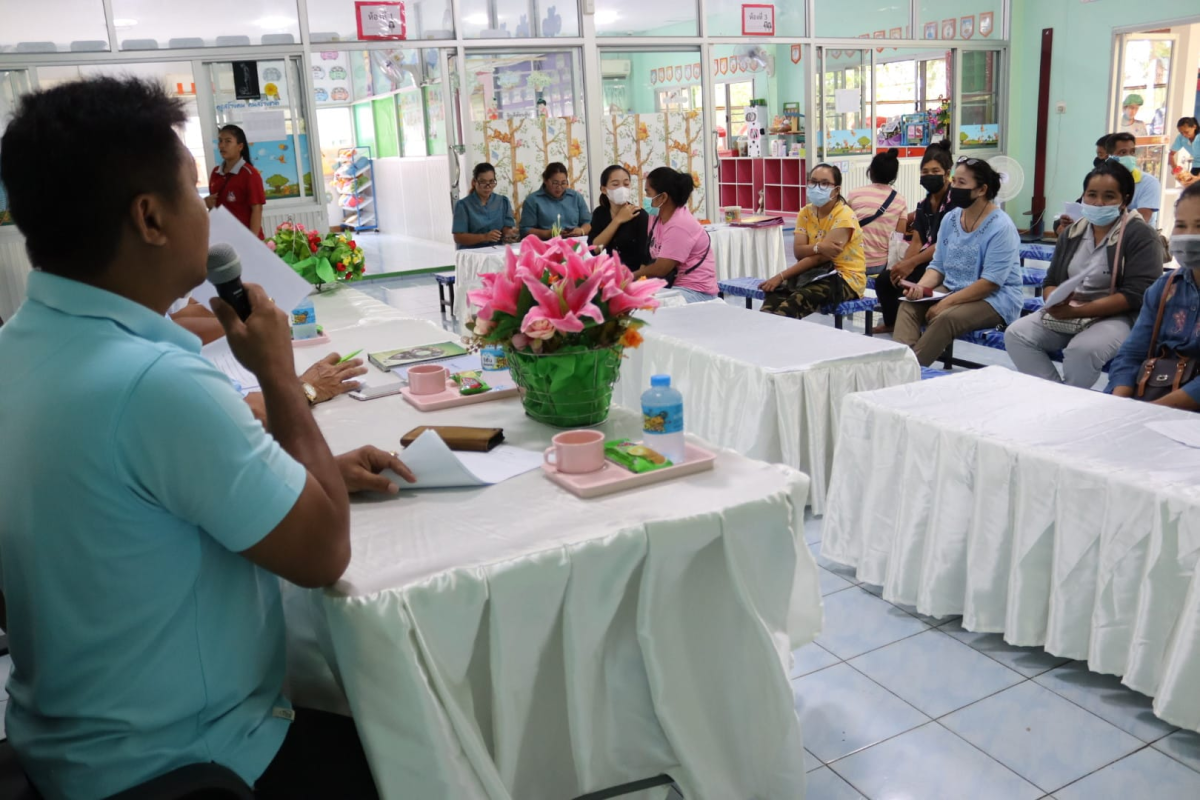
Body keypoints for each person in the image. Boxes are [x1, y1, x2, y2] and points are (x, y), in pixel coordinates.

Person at [0, 76, 414, 800]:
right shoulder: (154, 381)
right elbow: (321, 554)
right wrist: (283, 379)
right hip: (191, 762)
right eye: (197, 194)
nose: (212, 212)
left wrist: (292, 472)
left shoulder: (19, 346)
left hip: (64, 743)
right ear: (151, 218)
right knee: (412, 739)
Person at [1005, 162, 1163, 388]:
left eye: (1109, 196)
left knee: (1082, 350)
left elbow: (1137, 295)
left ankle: (1066, 406)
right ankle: (1056, 398)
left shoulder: (1139, 234)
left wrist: (1075, 311)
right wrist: (1054, 301)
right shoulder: (1073, 231)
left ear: (1124, 200)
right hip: (1069, 311)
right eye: (1091, 195)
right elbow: (1051, 280)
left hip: (1119, 317)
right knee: (1016, 334)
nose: (1098, 203)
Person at [893, 157, 1024, 366]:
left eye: (961, 183)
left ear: (981, 190)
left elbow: (989, 283)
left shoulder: (1001, 227)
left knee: (946, 318)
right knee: (909, 305)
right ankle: (901, 365)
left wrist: (946, 302)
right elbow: (938, 266)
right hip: (953, 288)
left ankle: (910, 372)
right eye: (954, 181)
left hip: (994, 298)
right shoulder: (951, 219)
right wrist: (920, 287)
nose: (953, 188)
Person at [1107, 183, 1200, 408]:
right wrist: (1118, 404)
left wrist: (1152, 411)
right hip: (1153, 400)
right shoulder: (1165, 287)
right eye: (1181, 225)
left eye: (1199, 226)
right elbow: (1131, 354)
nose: (1188, 235)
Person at [760, 163, 866, 318]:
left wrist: (781, 276)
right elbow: (798, 252)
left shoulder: (844, 216)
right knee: (772, 299)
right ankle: (765, 338)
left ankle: (781, 339)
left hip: (844, 278)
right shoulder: (806, 212)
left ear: (836, 190)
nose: (817, 187)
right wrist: (820, 246)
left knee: (792, 305)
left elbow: (818, 259)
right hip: (811, 272)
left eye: (824, 183)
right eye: (813, 182)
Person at [873, 141, 954, 333]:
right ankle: (892, 323)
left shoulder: (954, 204)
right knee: (887, 279)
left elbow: (944, 244)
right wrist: (903, 266)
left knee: (914, 279)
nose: (929, 176)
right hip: (925, 259)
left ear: (947, 172)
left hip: (946, 263)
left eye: (935, 171)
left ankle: (916, 320)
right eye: (925, 172)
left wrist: (911, 264)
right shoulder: (923, 204)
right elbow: (917, 241)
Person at [634, 166, 718, 302]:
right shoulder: (655, 217)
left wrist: (632, 276)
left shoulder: (680, 224)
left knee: (649, 306)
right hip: (672, 286)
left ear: (663, 197)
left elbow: (661, 268)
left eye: (648, 193)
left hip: (696, 291)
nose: (645, 198)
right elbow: (647, 257)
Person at [847, 148, 909, 276]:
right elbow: (898, 239)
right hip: (879, 265)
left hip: (853, 261)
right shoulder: (900, 200)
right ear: (894, 176)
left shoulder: (854, 194)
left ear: (871, 171)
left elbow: (844, 225)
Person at [207, 124, 267, 238]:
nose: (222, 145)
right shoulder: (215, 173)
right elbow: (215, 207)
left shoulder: (250, 174)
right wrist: (207, 203)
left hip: (246, 239)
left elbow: (257, 210)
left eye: (228, 141)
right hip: (224, 239)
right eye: (220, 141)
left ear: (240, 146)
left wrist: (252, 241)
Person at [587, 164, 647, 271]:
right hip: (612, 273)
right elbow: (594, 250)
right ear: (604, 189)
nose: (622, 189)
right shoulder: (600, 213)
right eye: (615, 184)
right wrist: (618, 220)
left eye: (626, 184)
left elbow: (646, 257)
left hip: (634, 274)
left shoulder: (639, 215)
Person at [1055, 134, 1117, 235]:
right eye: (1099, 155)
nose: (1099, 160)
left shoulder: (1123, 183)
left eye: (1103, 155)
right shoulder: (1094, 179)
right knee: (1059, 224)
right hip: (1086, 222)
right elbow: (1080, 204)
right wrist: (1067, 221)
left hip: (1105, 226)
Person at [452, 162, 516, 249]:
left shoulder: (503, 201)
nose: (488, 186)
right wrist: (484, 237)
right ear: (474, 182)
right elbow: (458, 237)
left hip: (496, 250)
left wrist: (510, 234)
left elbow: (506, 229)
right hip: (472, 253)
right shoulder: (463, 205)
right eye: (483, 182)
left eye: (491, 181)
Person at [519, 162, 591, 239]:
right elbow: (525, 230)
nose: (559, 187)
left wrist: (581, 231)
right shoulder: (533, 200)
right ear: (545, 180)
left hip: (575, 243)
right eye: (555, 183)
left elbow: (588, 223)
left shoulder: (576, 197)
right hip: (546, 245)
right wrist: (549, 234)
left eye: (563, 183)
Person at [1107, 132, 1161, 224]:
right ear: (1111, 156)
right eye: (1123, 152)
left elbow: (1142, 220)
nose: (1129, 156)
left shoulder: (1148, 182)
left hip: (1137, 236)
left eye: (1132, 152)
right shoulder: (1102, 180)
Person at [1169, 116, 1200, 186]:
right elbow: (1171, 154)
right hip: (1196, 165)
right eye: (1181, 132)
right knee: (1189, 186)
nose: (1184, 135)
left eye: (1186, 132)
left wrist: (1198, 177)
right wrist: (1174, 167)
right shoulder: (1181, 137)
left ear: (1194, 127)